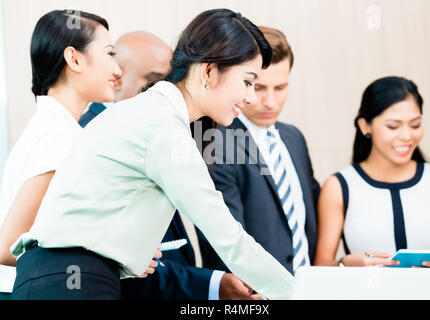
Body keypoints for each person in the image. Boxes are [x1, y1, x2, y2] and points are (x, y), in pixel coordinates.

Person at [11, 8, 294, 300]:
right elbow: (229, 239)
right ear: (208, 71)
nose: (250, 96)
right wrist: (300, 294)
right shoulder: (164, 127)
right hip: (73, 285)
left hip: (54, 279)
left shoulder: (148, 112)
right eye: (247, 81)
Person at [80, 30, 260, 300]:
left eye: (171, 80)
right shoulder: (91, 138)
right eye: (154, 82)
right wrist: (212, 285)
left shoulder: (166, 134)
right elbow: (110, 259)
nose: (167, 92)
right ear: (116, 79)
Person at [0, 9, 135, 299]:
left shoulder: (54, 129)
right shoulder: (59, 136)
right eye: (110, 54)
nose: (118, 70)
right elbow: (8, 243)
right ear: (74, 59)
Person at [198, 26, 320, 275]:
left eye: (281, 87)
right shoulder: (215, 141)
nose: (271, 102)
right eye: (260, 88)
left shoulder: (294, 138)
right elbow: (226, 246)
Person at [314, 76, 430, 299]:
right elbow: (319, 270)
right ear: (365, 126)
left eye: (415, 125)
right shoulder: (339, 186)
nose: (407, 136)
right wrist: (344, 265)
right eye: (393, 126)